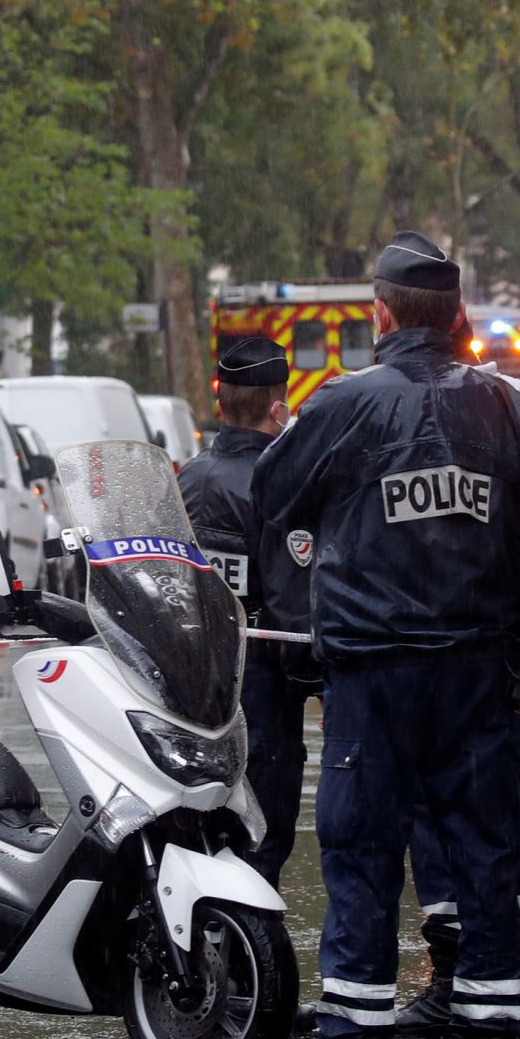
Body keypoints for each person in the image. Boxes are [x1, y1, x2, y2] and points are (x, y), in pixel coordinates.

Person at [252, 232, 520, 1039]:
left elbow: (271, 494)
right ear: (456, 317)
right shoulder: (510, 412)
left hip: (373, 680)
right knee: (487, 861)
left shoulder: (344, 407)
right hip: (479, 679)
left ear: (380, 314)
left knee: (363, 860)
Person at [393, 312, 520, 1034]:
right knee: (496, 806)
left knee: (434, 813)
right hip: (499, 640)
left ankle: (458, 972)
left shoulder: (391, 401)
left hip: (419, 642)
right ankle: (502, 969)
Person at [175, 334, 308, 886]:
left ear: (220, 400)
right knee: (259, 844)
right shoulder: (278, 485)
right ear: (278, 402)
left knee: (189, 840)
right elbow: (293, 599)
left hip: (180, 688)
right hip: (260, 693)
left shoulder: (182, 480)